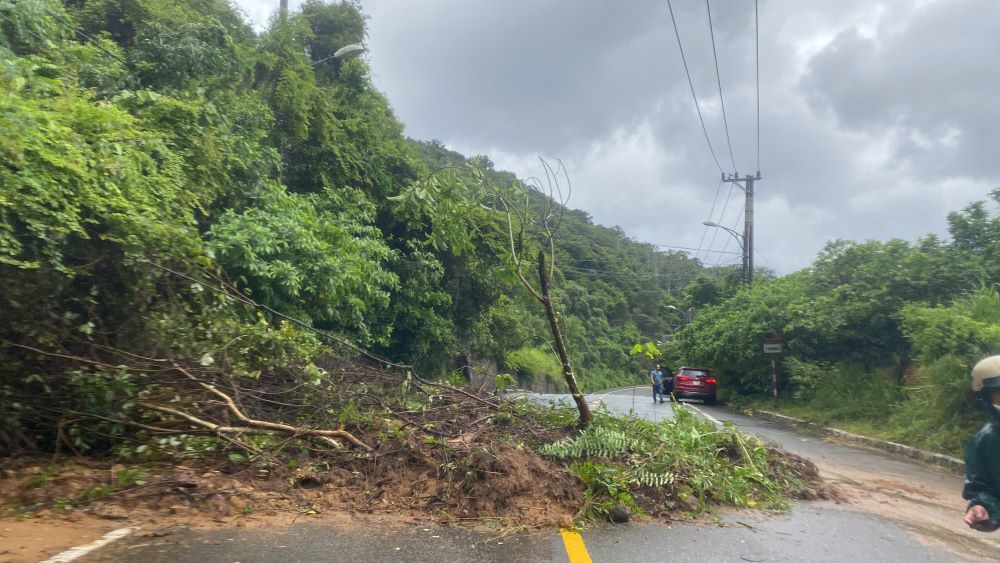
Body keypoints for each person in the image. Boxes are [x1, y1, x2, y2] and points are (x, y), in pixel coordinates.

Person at [964, 355, 1000, 532]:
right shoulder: (987, 441)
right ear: (987, 399)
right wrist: (983, 507)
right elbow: (986, 488)